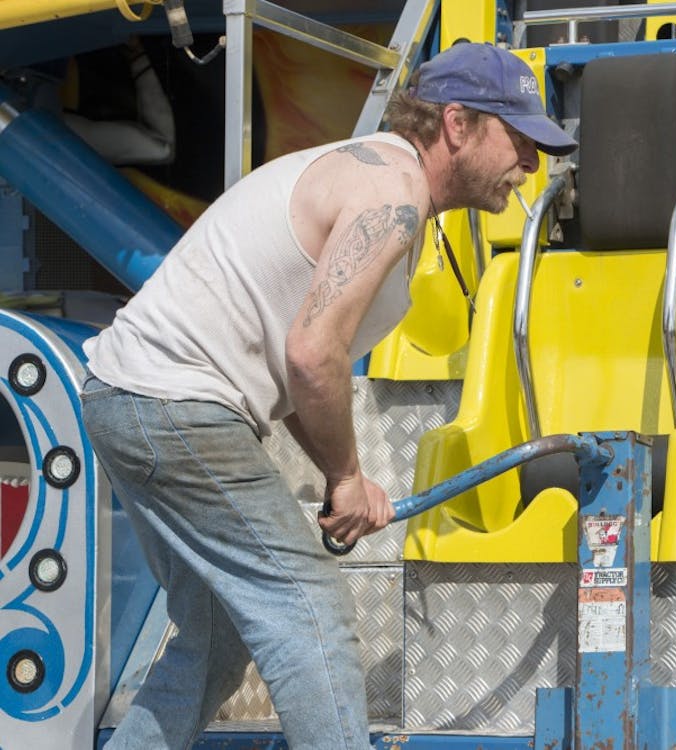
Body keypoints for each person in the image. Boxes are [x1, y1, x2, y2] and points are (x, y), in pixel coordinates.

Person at [80, 41, 576, 750]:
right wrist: (344, 477)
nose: (530, 164)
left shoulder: (377, 178)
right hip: (173, 403)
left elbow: (303, 366)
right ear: (457, 124)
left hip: (134, 398)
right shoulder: (392, 192)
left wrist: (343, 476)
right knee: (307, 609)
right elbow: (313, 355)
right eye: (520, 139)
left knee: (219, 636)